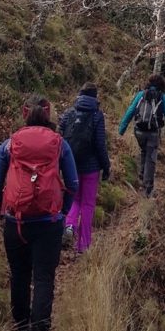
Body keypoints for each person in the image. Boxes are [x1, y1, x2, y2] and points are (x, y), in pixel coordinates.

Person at [0, 93, 78, 331]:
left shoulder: (9, 144)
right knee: (43, 277)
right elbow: (73, 184)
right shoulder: (60, 144)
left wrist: (5, 207)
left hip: (15, 222)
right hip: (48, 223)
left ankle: (20, 325)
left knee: (19, 273)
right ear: (48, 114)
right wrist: (61, 211)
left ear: (25, 113)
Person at [58, 83, 111, 253]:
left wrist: (60, 164)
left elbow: (59, 139)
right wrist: (106, 166)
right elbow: (100, 144)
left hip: (71, 166)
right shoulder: (97, 115)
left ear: (80, 95)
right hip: (91, 168)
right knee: (88, 204)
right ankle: (83, 244)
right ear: (95, 97)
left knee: (74, 199)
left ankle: (69, 226)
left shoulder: (68, 113)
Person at [118, 74, 165, 197]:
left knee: (144, 150)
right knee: (151, 157)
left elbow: (130, 111)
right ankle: (147, 188)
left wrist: (122, 129)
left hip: (139, 131)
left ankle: (142, 174)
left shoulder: (141, 95)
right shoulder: (162, 97)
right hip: (153, 133)